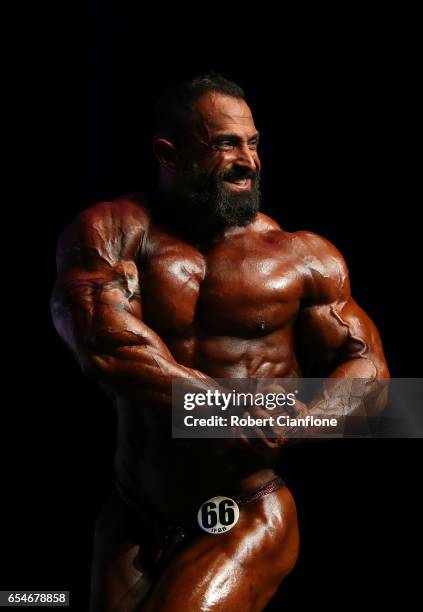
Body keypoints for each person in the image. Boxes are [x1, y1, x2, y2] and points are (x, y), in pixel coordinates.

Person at [51, 72, 389, 611]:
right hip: (133, 514)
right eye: (226, 144)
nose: (247, 160)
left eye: (253, 143)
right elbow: (105, 346)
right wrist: (229, 409)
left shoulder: (301, 257)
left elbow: (371, 380)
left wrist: (299, 420)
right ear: (169, 153)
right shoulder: (113, 229)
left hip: (244, 508)